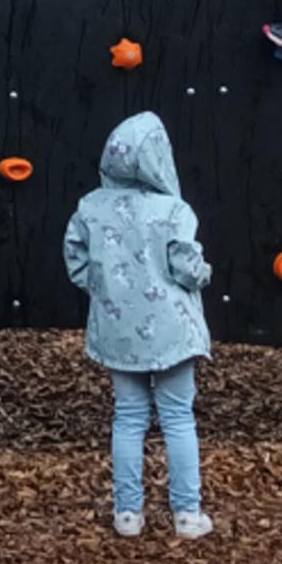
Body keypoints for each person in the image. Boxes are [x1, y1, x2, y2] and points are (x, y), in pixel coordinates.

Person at [65, 111, 214, 540]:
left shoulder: (91, 207)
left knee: (128, 417)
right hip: (172, 333)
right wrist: (204, 274)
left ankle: (127, 513)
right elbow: (186, 266)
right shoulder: (173, 210)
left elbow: (76, 260)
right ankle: (187, 514)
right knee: (178, 417)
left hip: (118, 332)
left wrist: (104, 290)